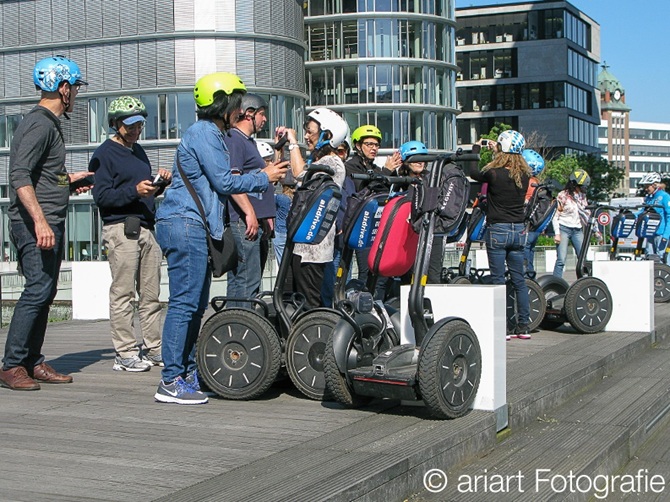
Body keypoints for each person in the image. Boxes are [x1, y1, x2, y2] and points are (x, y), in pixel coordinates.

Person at [153, 72, 288, 405]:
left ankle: (185, 373)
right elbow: (225, 182)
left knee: (196, 304)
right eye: (237, 104)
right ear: (223, 102)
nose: (240, 111)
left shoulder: (212, 132)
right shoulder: (203, 132)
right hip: (183, 223)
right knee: (185, 304)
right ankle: (170, 380)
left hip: (192, 225)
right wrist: (264, 176)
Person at [0, 56, 92, 391]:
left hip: (49, 220)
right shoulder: (40, 124)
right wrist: (39, 222)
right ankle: (12, 366)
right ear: (63, 88)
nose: (77, 94)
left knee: (46, 291)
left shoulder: (47, 124)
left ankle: (31, 360)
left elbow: (41, 177)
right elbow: (19, 177)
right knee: (37, 289)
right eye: (76, 87)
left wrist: (68, 180)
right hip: (35, 224)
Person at [90, 96, 171, 372]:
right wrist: (134, 191)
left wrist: (158, 185)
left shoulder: (138, 151)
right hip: (121, 229)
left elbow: (142, 191)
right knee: (123, 293)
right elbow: (101, 197)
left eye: (139, 124)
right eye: (130, 125)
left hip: (146, 227)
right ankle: (124, 352)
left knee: (151, 294)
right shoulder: (104, 154)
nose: (136, 129)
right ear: (115, 124)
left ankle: (153, 347)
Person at [275, 108, 349, 308]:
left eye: (310, 131)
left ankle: (317, 335)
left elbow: (299, 173)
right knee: (293, 298)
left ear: (327, 135)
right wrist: (279, 149)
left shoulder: (332, 162)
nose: (306, 136)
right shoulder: (317, 162)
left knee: (311, 302)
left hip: (313, 246)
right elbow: (287, 177)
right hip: (303, 242)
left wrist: (293, 142)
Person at [465, 130, 532, 340]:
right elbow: (508, 168)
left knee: (498, 279)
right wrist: (499, 151)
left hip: (498, 229)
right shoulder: (525, 175)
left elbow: (473, 171)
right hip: (519, 230)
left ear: (502, 148)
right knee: (519, 280)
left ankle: (502, 327)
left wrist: (477, 147)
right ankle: (523, 326)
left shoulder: (494, 173)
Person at [225, 94, 276, 303]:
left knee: (246, 279)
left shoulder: (248, 142)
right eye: (262, 114)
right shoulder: (235, 140)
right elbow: (232, 179)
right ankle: (239, 330)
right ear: (248, 114)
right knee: (246, 280)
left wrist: (264, 215)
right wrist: (251, 214)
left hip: (252, 221)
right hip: (243, 222)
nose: (264, 120)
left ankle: (237, 327)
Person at [345, 125, 402, 284]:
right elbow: (362, 190)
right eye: (369, 144)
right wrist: (386, 172)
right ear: (358, 145)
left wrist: (393, 172)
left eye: (376, 145)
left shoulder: (376, 169)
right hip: (358, 223)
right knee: (365, 269)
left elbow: (385, 192)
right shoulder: (350, 166)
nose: (374, 148)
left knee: (377, 271)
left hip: (375, 222)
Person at [552, 169, 590, 279]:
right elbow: (555, 215)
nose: (583, 188)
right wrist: (557, 233)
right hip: (564, 228)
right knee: (561, 259)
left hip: (577, 229)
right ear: (575, 184)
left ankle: (583, 281)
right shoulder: (563, 195)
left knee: (582, 258)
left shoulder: (582, 197)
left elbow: (585, 213)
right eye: (581, 186)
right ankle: (556, 283)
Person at [521, 149, 546, 274]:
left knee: (524, 252)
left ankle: (527, 278)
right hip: (535, 225)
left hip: (526, 225)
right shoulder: (537, 183)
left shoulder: (528, 183)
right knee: (530, 251)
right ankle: (530, 278)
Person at [637, 172, 670, 263]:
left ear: (654, 185)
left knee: (663, 259)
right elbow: (643, 211)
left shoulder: (665, 197)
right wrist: (632, 215)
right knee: (649, 258)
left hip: (661, 234)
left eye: (647, 186)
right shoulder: (649, 198)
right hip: (650, 233)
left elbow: (669, 216)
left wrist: (666, 235)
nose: (646, 189)